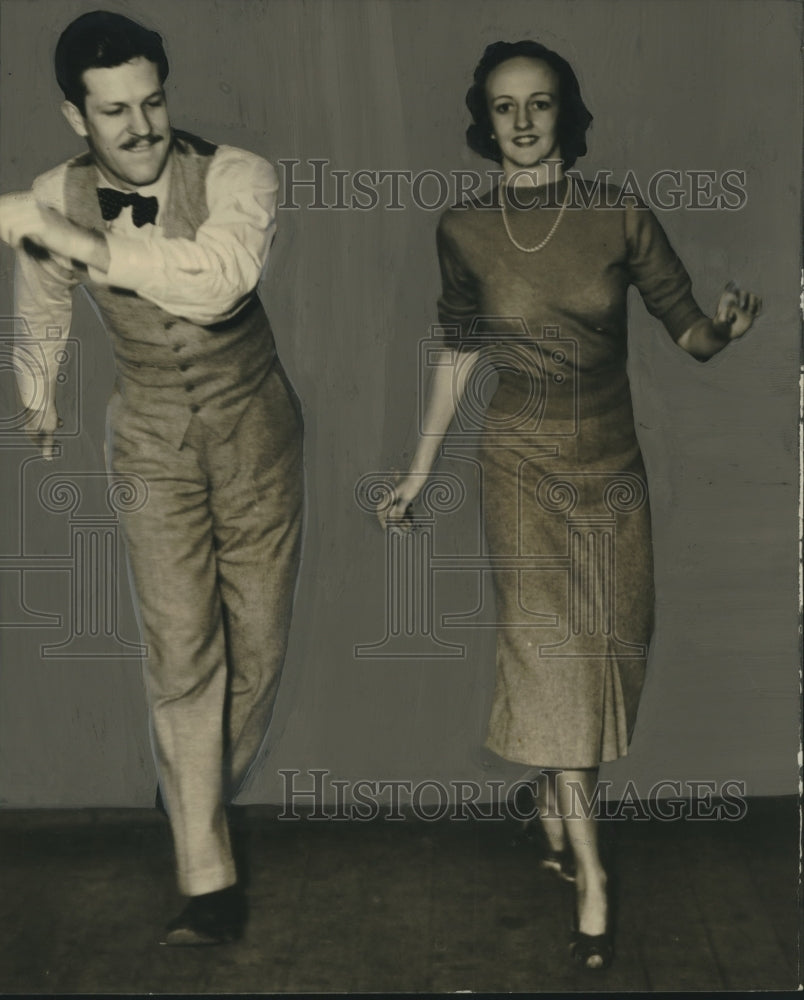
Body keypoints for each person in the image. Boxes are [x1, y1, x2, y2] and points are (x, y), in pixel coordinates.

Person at [379, 39, 760, 970]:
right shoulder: (464, 229)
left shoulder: (618, 213)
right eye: (503, 107)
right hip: (517, 465)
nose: (520, 122)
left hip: (611, 464)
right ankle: (592, 877)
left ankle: (556, 793)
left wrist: (725, 328)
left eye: (538, 105)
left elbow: (690, 332)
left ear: (565, 115)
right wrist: (420, 472)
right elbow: (457, 355)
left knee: (611, 649)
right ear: (485, 120)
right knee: (551, 655)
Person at [0, 10, 304, 946]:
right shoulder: (56, 191)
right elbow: (42, 302)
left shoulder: (240, 175)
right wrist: (38, 398)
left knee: (252, 654)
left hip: (257, 430)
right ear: (73, 114)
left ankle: (188, 788)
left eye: (152, 101)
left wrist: (81, 241)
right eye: (114, 110)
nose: (140, 127)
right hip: (149, 438)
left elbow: (218, 280)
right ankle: (206, 882)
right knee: (181, 652)